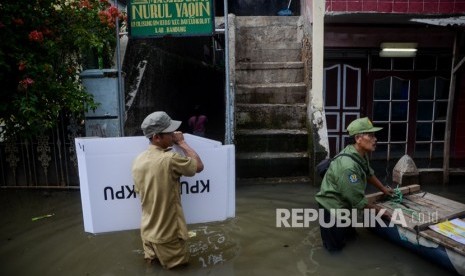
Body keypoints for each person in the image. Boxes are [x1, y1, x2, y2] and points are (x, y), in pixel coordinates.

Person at [132, 111, 204, 269]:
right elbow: (198, 166)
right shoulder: (169, 159)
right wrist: (183, 143)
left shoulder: (138, 160)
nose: (173, 136)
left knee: (153, 268)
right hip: (168, 236)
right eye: (170, 133)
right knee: (180, 271)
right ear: (157, 137)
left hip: (148, 233)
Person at [315, 117, 393, 252]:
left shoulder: (359, 154)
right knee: (334, 250)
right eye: (371, 135)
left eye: (374, 135)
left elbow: (368, 173)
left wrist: (383, 189)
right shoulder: (348, 167)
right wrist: (380, 211)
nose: (375, 139)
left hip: (344, 206)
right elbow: (358, 201)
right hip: (332, 210)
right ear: (358, 138)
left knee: (352, 239)